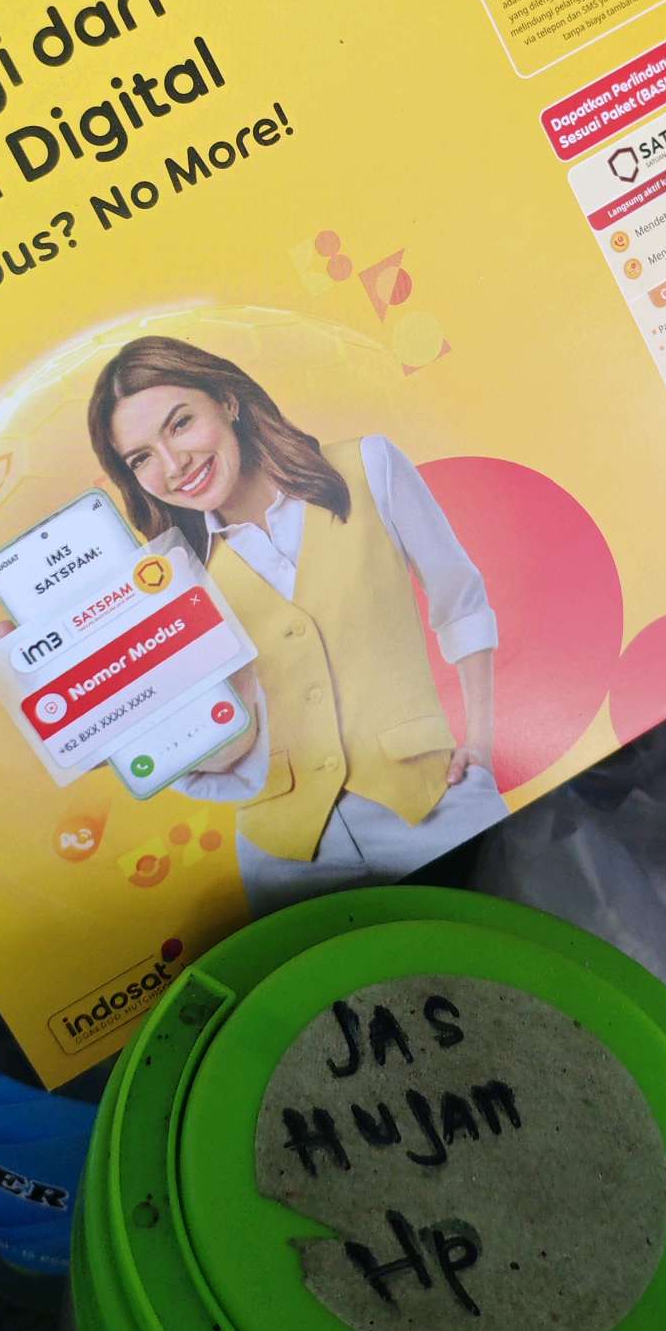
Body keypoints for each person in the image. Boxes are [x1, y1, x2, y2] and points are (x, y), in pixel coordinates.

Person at [87, 334, 506, 911]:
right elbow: (222, 745)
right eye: (141, 458)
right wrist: (90, 694)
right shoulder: (172, 576)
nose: (173, 464)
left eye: (180, 424)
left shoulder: (368, 467)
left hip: (434, 801)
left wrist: (480, 744)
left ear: (227, 401)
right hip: (284, 853)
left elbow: (460, 599)